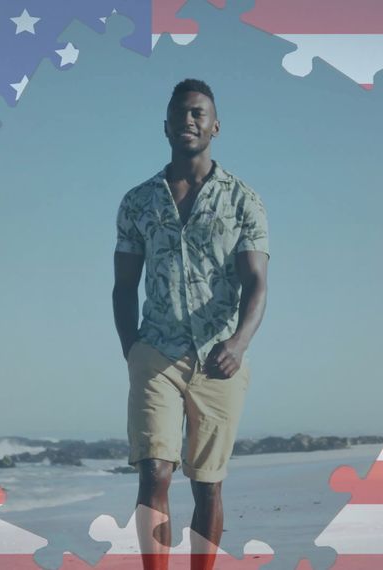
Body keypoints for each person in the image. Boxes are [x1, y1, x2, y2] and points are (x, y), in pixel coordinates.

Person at [112, 78, 270, 570]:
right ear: (165, 126)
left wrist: (239, 343)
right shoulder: (138, 202)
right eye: (180, 113)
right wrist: (133, 351)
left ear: (215, 126)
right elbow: (123, 285)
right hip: (155, 353)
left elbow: (257, 284)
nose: (189, 120)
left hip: (219, 357)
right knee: (154, 472)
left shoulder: (244, 200)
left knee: (207, 484)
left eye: (198, 113)